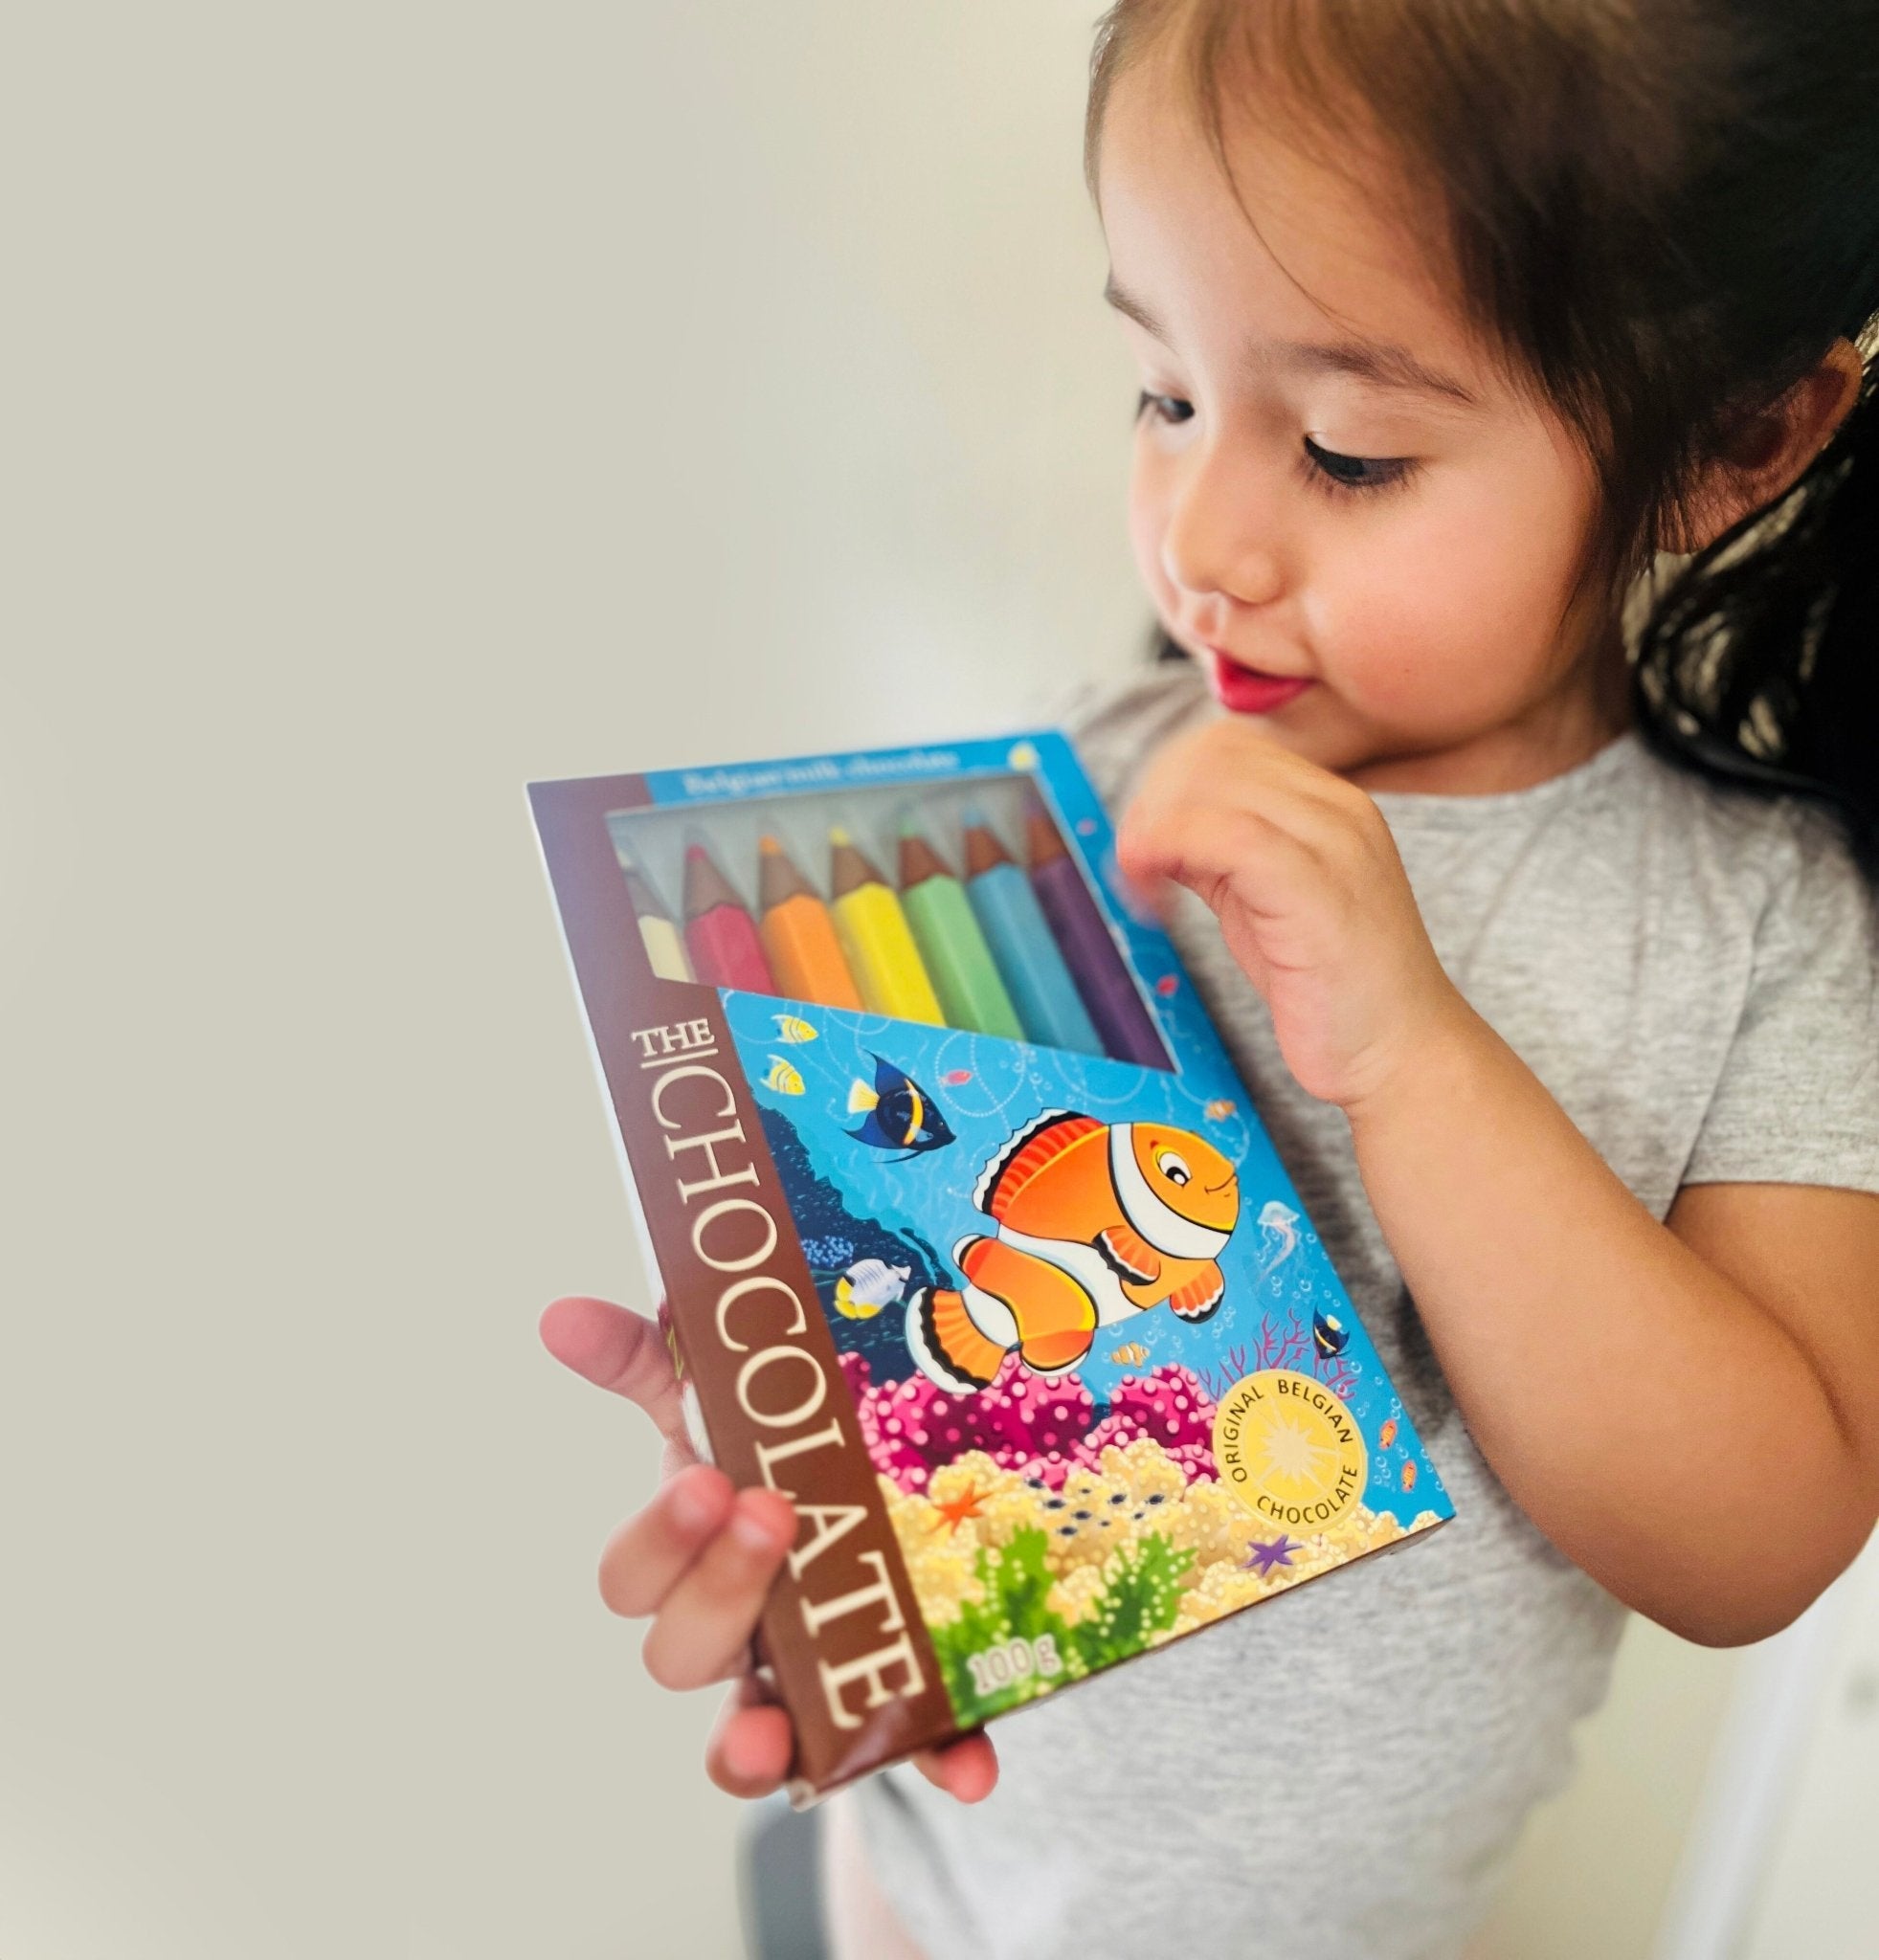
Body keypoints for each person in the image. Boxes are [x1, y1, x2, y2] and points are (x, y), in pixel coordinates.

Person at [540, 3, 1879, 1953]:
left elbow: (1755, 1536)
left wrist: (1411, 1050)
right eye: (1162, 395)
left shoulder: (1767, 930)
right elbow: (975, 1334)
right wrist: (790, 1436)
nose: (1201, 540)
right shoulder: (1079, 782)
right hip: (902, 1874)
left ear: (1737, 439)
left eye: (1346, 453)